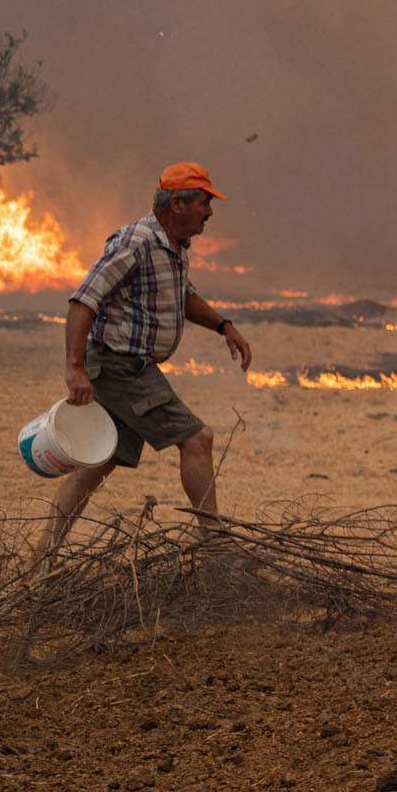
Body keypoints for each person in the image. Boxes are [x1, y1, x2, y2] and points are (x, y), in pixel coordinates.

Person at [43, 162, 252, 548]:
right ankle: (217, 547)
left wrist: (225, 326)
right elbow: (84, 299)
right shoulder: (135, 242)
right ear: (177, 204)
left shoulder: (176, 245)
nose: (210, 212)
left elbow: (183, 296)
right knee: (197, 439)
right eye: (204, 202)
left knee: (99, 460)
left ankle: (41, 555)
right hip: (124, 369)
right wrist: (74, 368)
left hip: (130, 368)